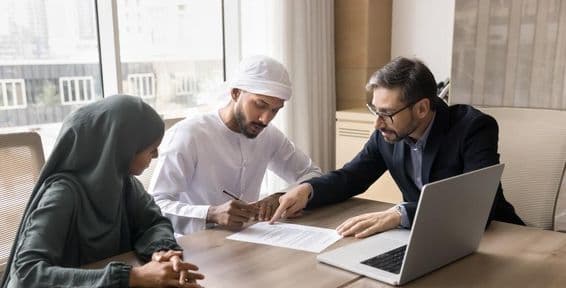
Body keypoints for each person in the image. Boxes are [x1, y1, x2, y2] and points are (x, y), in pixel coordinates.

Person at [271, 57, 524, 237]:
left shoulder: (472, 128)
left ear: (422, 108)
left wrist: (399, 214)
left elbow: (478, 203)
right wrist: (307, 190)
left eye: (387, 113)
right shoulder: (387, 134)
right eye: (375, 110)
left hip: (496, 237)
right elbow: (351, 177)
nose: (377, 123)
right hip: (427, 239)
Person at [1, 95, 205, 288]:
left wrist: (161, 251)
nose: (156, 155)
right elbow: (25, 275)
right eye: (151, 148)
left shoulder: (125, 184)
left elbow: (153, 224)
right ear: (122, 146)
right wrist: (133, 276)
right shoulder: (62, 195)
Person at [149, 55, 322, 235]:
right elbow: (155, 205)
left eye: (275, 110)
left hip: (250, 239)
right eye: (260, 104)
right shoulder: (189, 134)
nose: (265, 119)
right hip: (194, 246)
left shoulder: (269, 135)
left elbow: (312, 174)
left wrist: (282, 197)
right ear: (236, 93)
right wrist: (211, 213)